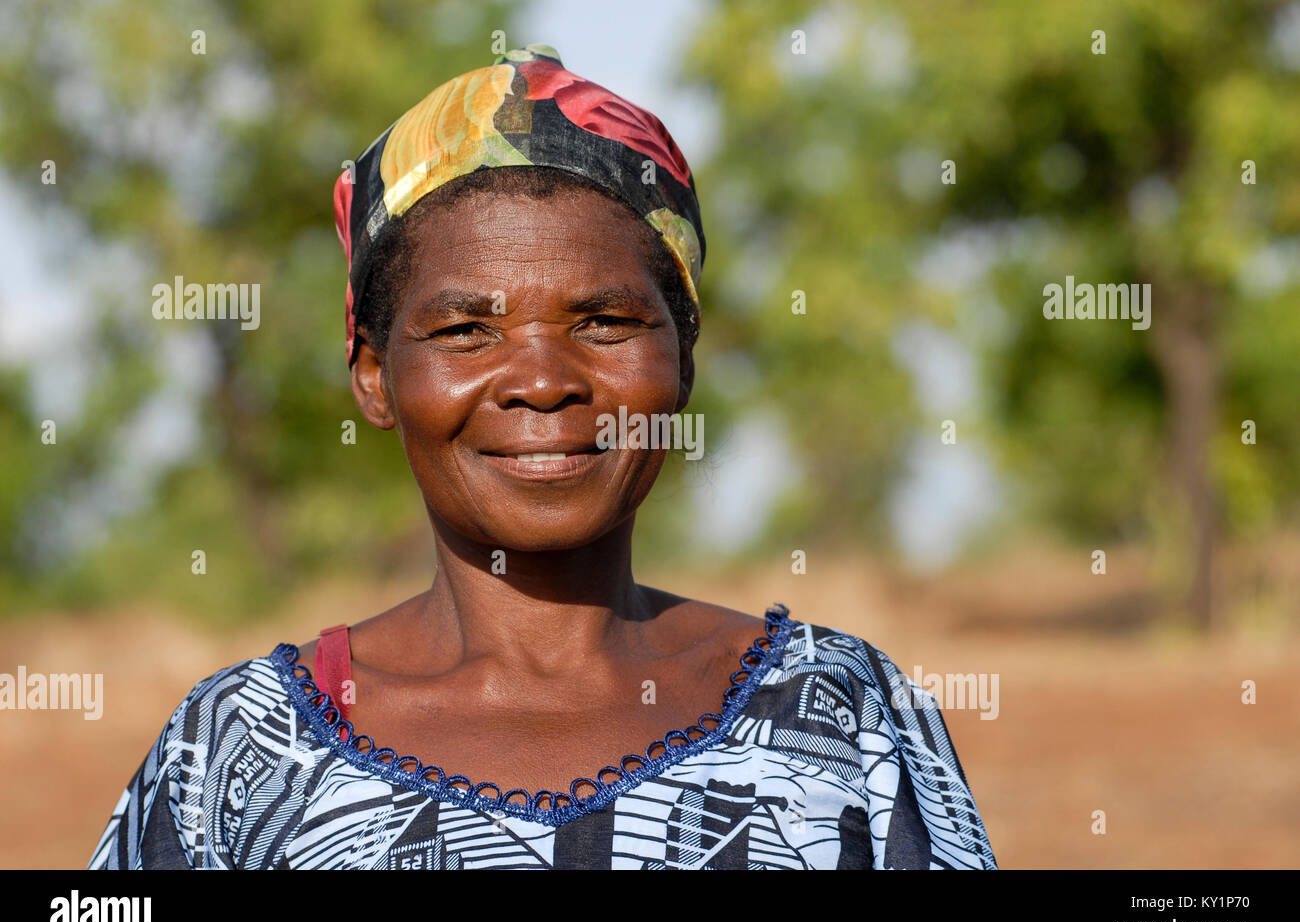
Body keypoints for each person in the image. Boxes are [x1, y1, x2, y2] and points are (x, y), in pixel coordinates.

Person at [89, 44, 996, 870]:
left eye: (604, 322)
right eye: (465, 330)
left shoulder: (846, 718)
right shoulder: (234, 753)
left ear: (681, 359)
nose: (543, 382)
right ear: (374, 377)